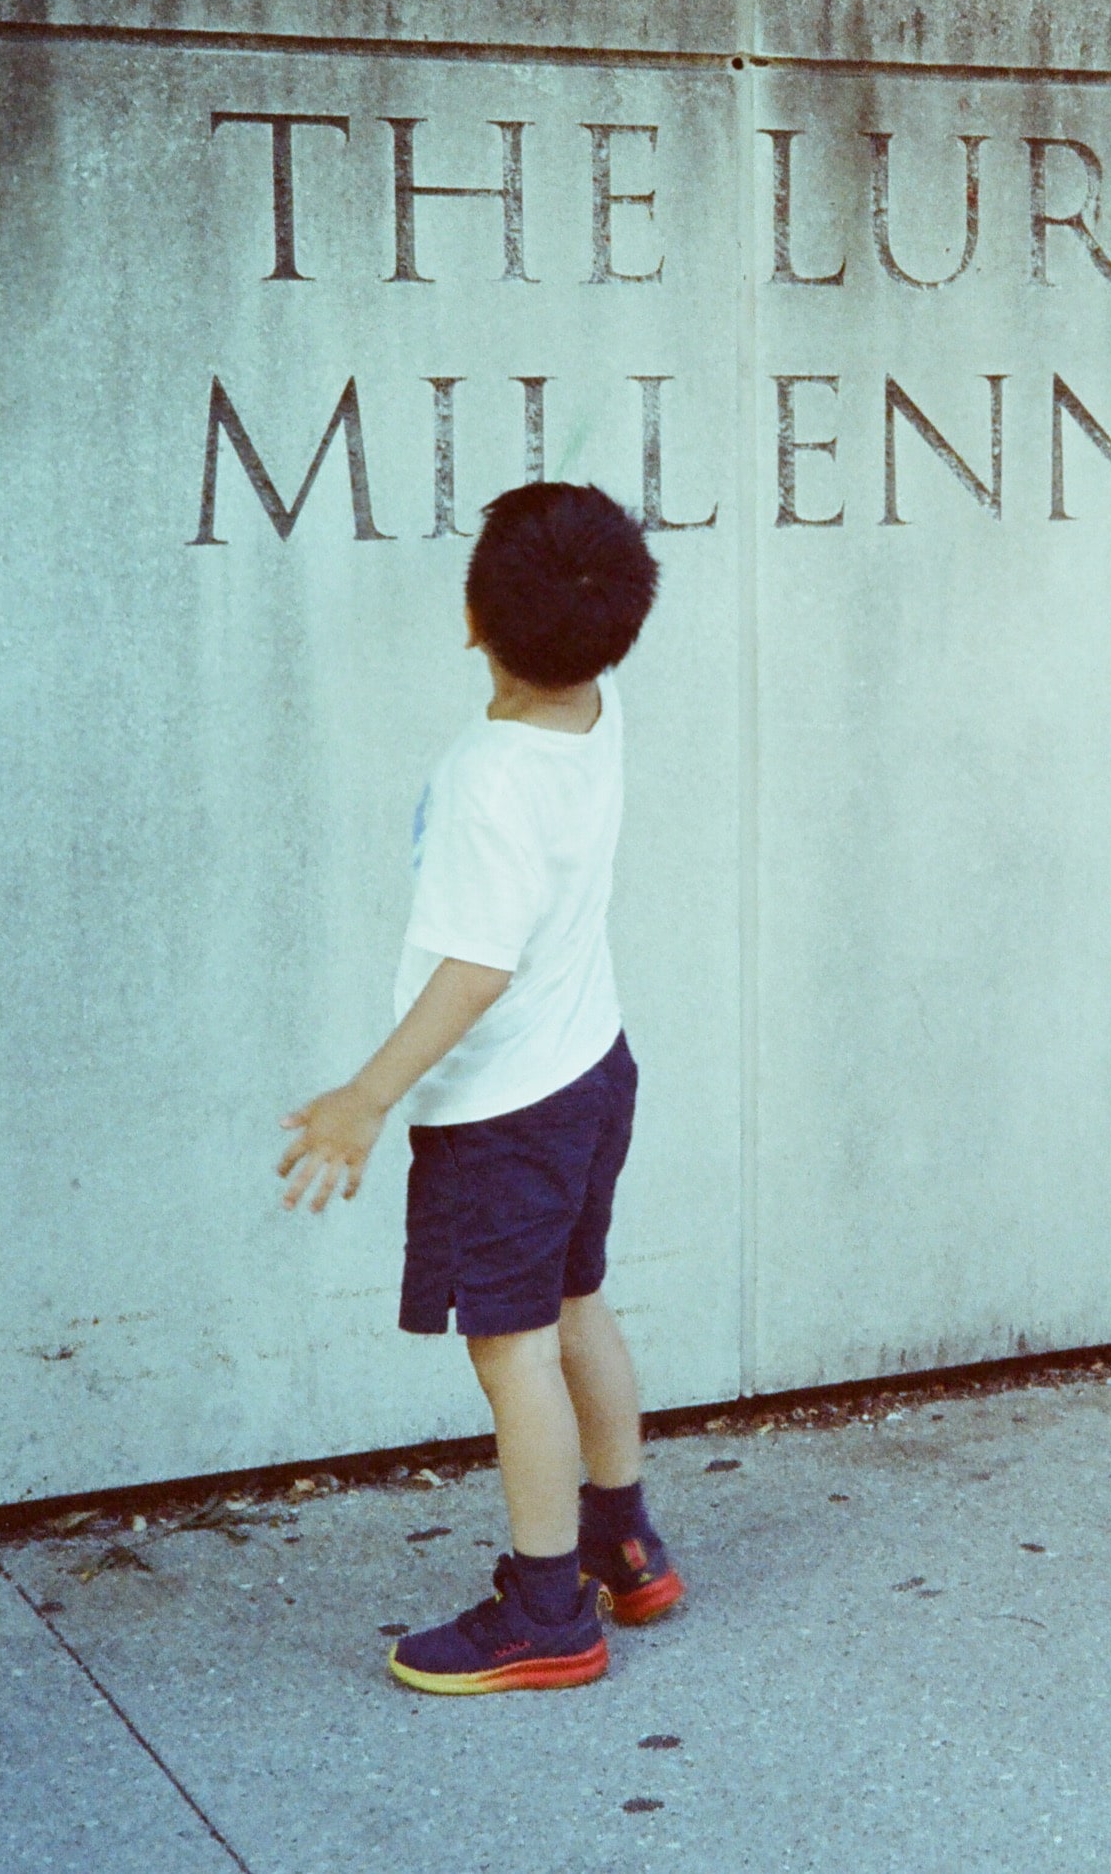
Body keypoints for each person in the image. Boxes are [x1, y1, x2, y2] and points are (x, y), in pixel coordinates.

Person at [275, 480, 682, 1693]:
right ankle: (624, 1540)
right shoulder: (594, 707)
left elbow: (475, 969)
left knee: (515, 1350)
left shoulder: (487, 779)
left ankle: (549, 1607)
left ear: (470, 619)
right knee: (578, 1303)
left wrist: (364, 1097)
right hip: (592, 1067)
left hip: (507, 1111)